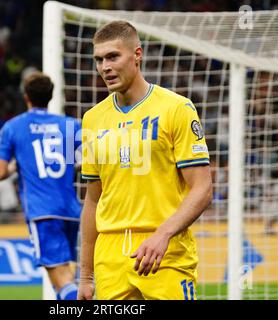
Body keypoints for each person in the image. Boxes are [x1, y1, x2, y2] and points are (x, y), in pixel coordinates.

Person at [78, 21, 213, 300]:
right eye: (99, 60)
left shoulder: (177, 108)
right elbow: (92, 200)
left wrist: (163, 234)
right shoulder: (92, 119)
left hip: (166, 252)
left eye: (113, 56)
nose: (104, 67)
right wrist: (85, 276)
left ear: (137, 55)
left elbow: (202, 188)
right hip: (110, 257)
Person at [0, 72, 82, 300]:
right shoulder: (71, 125)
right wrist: (73, 164)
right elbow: (90, 158)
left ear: (26, 97)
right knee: (66, 277)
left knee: (62, 280)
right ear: (51, 97)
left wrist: (18, 165)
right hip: (72, 211)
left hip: (43, 211)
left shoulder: (13, 127)